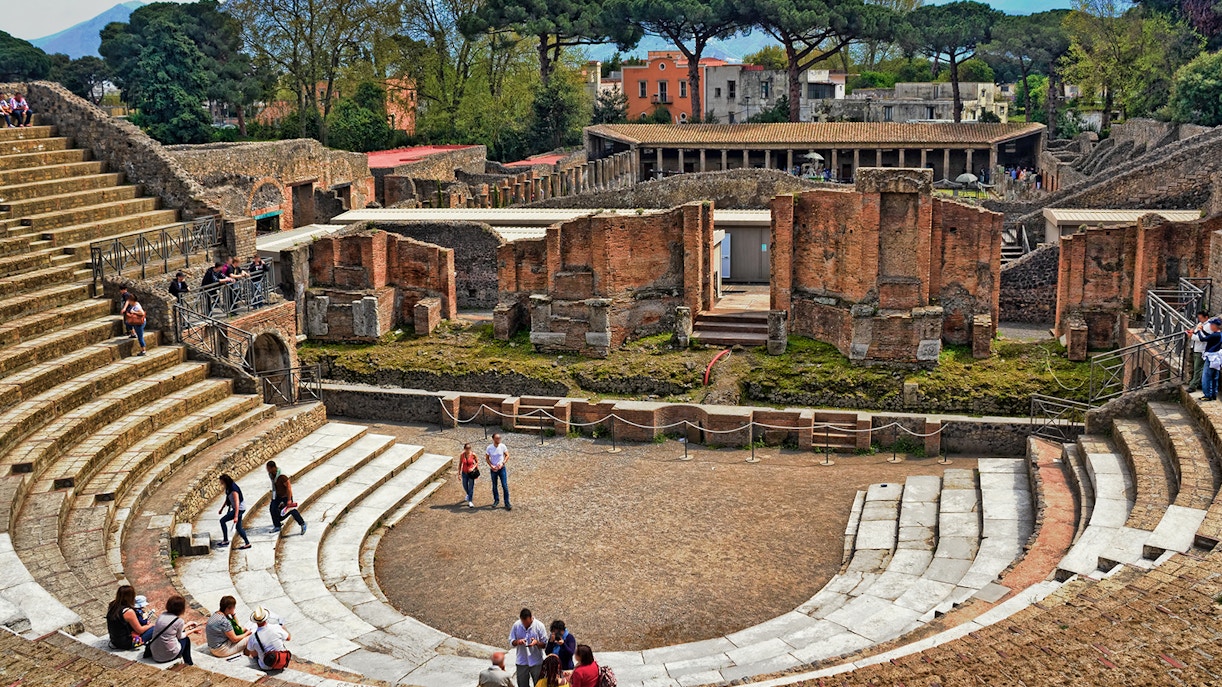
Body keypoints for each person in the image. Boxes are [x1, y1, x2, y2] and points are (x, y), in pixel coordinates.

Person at [148, 595, 201, 665]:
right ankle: (189, 663)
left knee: (181, 632)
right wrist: (193, 630)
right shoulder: (179, 621)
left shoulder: (162, 615)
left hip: (155, 653)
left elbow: (172, 630)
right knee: (186, 640)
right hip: (168, 655)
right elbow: (180, 636)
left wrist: (188, 624)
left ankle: (188, 663)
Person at [106, 585, 155, 650]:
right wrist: (151, 625)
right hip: (127, 643)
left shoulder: (112, 605)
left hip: (115, 640)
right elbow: (140, 630)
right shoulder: (128, 612)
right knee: (156, 628)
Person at [509, 608, 547, 687]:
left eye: (527, 623)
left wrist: (537, 643)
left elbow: (545, 644)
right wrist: (518, 642)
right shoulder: (516, 625)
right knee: (522, 684)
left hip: (536, 662)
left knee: (539, 684)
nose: (525, 625)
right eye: (523, 623)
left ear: (531, 618)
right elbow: (511, 641)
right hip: (522, 661)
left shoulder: (539, 626)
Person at [245, 606, 291, 670]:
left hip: (266, 666)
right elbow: (288, 638)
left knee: (253, 651)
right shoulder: (276, 627)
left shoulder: (253, 637)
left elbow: (253, 654)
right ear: (266, 618)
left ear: (255, 621)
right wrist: (283, 628)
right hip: (282, 661)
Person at [217, 474, 251, 549]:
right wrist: (222, 508)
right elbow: (228, 499)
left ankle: (225, 540)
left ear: (226, 482)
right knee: (239, 528)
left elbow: (237, 502)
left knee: (222, 521)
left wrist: (235, 516)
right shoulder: (229, 487)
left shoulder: (234, 489)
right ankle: (247, 543)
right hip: (240, 509)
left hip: (239, 509)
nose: (222, 484)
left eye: (222, 483)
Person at [486, 433, 510, 510]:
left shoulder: (502, 446)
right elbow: (487, 458)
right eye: (497, 438)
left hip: (502, 468)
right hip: (493, 470)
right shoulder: (489, 448)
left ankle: (507, 502)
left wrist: (503, 463)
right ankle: (496, 500)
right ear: (493, 439)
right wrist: (491, 466)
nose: (499, 439)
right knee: (494, 485)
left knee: (504, 485)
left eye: (499, 438)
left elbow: (507, 455)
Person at [1190, 311, 1210, 391]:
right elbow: (1197, 333)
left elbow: (1203, 338)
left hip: (1201, 349)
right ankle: (1199, 383)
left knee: (1197, 368)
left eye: (1201, 318)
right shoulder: (1200, 324)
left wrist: (1191, 336)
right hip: (1196, 348)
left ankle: (1193, 386)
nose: (1199, 319)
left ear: (1206, 317)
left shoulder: (1208, 326)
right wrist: (1192, 332)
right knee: (1197, 368)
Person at [458, 443, 479, 508]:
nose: (468, 449)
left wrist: (473, 468)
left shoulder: (473, 454)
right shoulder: (462, 455)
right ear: (464, 449)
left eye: (469, 448)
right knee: (464, 485)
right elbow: (460, 464)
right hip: (464, 473)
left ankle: (470, 501)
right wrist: (459, 473)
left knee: (471, 487)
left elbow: (477, 462)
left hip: (471, 473)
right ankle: (468, 494)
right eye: (467, 448)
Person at [266, 461, 283, 527]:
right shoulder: (270, 474)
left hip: (283, 494)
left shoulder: (281, 474)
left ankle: (279, 521)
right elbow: (273, 485)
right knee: (272, 508)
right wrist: (273, 497)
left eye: (268, 469)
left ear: (273, 468)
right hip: (276, 494)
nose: (267, 470)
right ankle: (277, 525)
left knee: (281, 509)